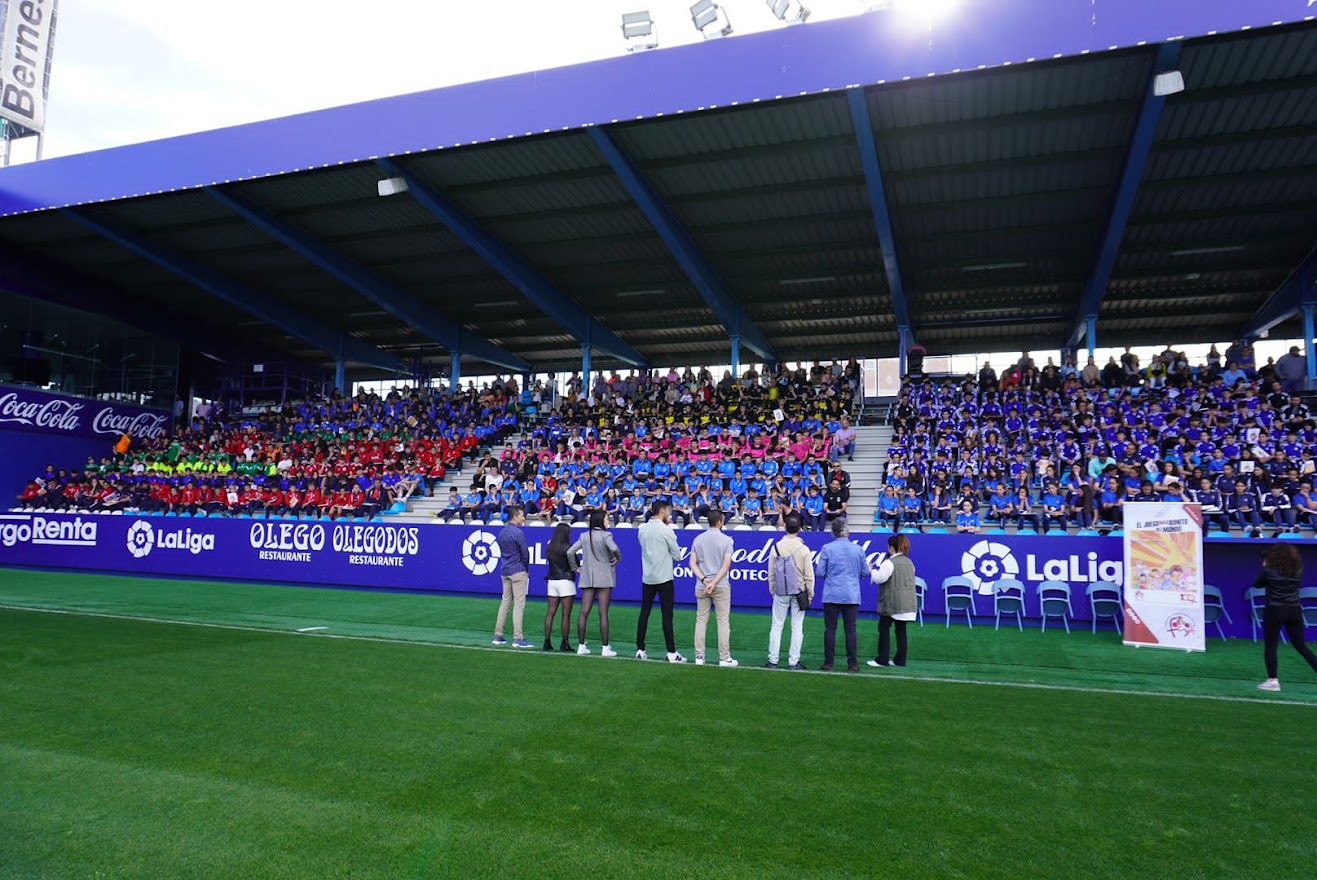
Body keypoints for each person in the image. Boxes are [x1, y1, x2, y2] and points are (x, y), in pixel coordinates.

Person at [1254, 543, 1317, 691]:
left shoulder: (1268, 570)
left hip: (1274, 609)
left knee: (1271, 645)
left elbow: (1257, 584)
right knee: (1301, 646)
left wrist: (1265, 566)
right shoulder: (1298, 570)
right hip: (1294, 609)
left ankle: (1273, 681)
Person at [636, 500, 687, 663]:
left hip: (648, 576)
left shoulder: (642, 529)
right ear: (663, 511)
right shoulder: (666, 530)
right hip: (664, 577)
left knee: (645, 612)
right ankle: (671, 652)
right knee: (666, 614)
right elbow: (677, 555)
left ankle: (640, 648)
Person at [814, 517, 866, 672]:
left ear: (833, 533)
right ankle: (852, 663)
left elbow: (820, 572)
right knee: (850, 629)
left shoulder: (827, 548)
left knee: (830, 628)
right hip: (851, 593)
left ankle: (829, 662)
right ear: (847, 531)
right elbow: (865, 572)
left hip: (832, 593)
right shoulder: (858, 549)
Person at [765, 513, 815, 670]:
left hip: (781, 590)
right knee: (797, 626)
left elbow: (771, 571)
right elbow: (809, 574)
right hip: (799, 591)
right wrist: (810, 593)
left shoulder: (776, 547)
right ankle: (794, 661)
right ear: (799, 529)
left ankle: (773, 659)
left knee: (777, 625)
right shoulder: (804, 549)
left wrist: (772, 589)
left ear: (785, 528)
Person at [688, 508, 737, 667]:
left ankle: (699, 657)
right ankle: (724, 658)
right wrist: (713, 582)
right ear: (719, 522)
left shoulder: (698, 539)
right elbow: (726, 566)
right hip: (720, 585)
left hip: (702, 585)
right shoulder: (727, 540)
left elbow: (692, 564)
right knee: (722, 621)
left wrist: (705, 580)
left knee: (701, 620)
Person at [570, 509, 621, 657]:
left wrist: (575, 567)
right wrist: (618, 557)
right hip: (604, 575)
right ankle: (605, 648)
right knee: (603, 612)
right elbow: (615, 548)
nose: (608, 521)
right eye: (606, 519)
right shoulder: (606, 535)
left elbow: (570, 552)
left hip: (588, 575)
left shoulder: (584, 535)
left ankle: (581, 646)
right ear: (601, 520)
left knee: (584, 611)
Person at [868, 533, 917, 668]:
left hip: (893, 602)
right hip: (908, 602)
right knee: (901, 630)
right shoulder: (909, 562)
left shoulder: (889, 563)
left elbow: (880, 578)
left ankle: (882, 659)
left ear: (891, 548)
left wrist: (871, 571)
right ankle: (900, 660)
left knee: (883, 628)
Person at [493, 505, 534, 649]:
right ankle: (518, 638)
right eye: (521, 515)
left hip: (505, 570)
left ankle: (498, 635)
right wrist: (526, 569)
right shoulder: (518, 533)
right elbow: (525, 553)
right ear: (515, 517)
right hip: (518, 570)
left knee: (505, 602)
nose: (523, 518)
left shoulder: (502, 532)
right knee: (519, 604)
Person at [543, 523, 577, 652]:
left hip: (552, 580)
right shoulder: (568, 547)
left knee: (550, 612)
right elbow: (575, 563)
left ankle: (547, 641)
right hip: (566, 581)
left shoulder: (550, 546)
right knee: (566, 614)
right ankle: (565, 643)